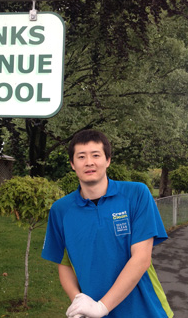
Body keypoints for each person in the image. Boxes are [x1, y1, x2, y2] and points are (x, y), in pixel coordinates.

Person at [41, 130, 173, 318]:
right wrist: (79, 302)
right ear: (72, 164)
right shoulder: (60, 210)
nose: (89, 162)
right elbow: (64, 264)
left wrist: (102, 307)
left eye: (96, 155)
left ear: (108, 160)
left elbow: (141, 258)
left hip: (146, 311)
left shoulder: (136, 194)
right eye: (81, 157)